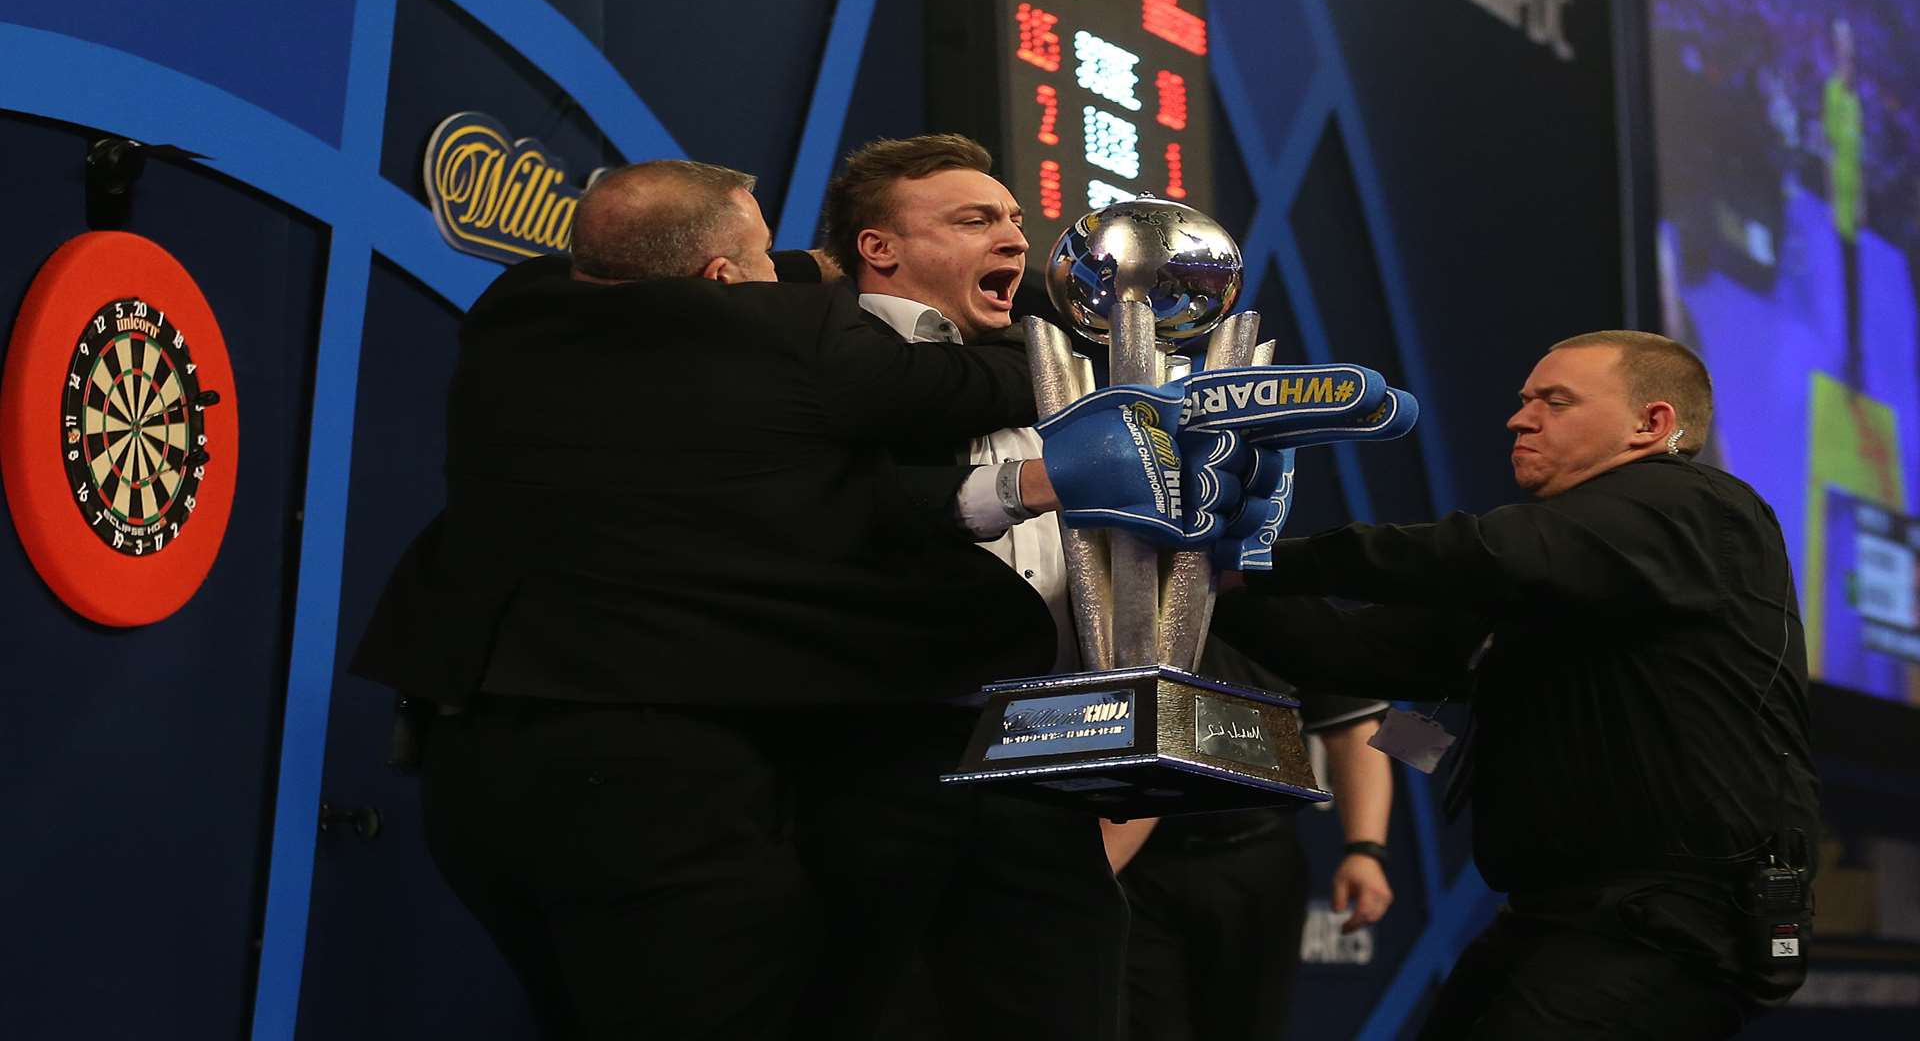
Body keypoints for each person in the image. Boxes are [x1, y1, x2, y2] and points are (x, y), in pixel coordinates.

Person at [352, 158, 1069, 1039]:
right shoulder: (792, 337)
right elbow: (962, 389)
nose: (787, 270)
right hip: (658, 785)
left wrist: (818, 260)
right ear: (725, 279)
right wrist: (1055, 333)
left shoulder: (522, 307)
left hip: (473, 771)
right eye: (765, 256)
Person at [1212, 330, 1820, 1038]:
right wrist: (1213, 585)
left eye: (1555, 402)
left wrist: (1259, 559)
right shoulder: (1567, 564)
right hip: (1566, 915)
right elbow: (1358, 650)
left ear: (1651, 425)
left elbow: (1485, 551)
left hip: (1671, 919)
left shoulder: (1695, 505)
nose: (1520, 418)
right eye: (1525, 400)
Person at [794, 134, 1128, 1040]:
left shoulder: (1058, 379)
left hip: (1042, 782)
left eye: (1017, 220)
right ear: (881, 248)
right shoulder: (814, 362)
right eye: (976, 220)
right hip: (870, 776)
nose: (1017, 240)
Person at [1108, 637, 1394, 1041]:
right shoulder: (1120, 604)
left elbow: (1354, 730)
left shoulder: (1283, 615)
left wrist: (1365, 850)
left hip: (1254, 858)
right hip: (1136, 870)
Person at [1825, 17, 1866, 393]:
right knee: (1844, 280)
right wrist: (1831, 199)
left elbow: (1860, 157)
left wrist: (1862, 203)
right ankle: (1848, 348)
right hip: (1840, 207)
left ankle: (1855, 351)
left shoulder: (1857, 100)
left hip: (1857, 210)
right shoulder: (1835, 93)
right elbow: (1830, 148)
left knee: (1856, 283)